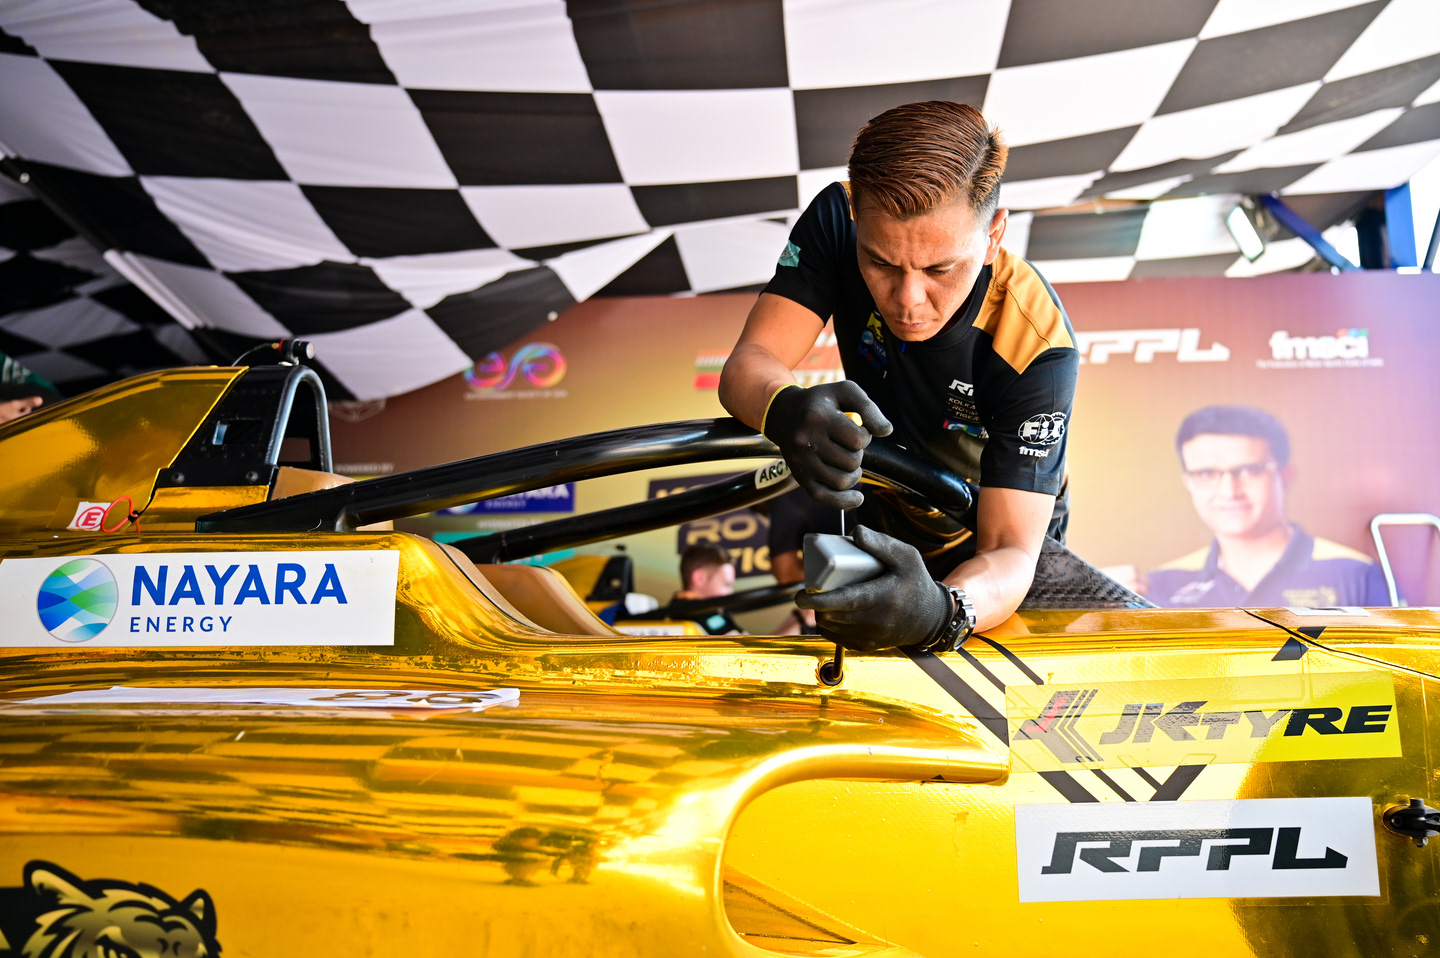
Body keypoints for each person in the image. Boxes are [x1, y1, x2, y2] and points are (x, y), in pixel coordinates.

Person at [719, 100, 1078, 653]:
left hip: (990, 555)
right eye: (881, 263)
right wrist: (784, 405)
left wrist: (946, 611)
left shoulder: (1035, 344)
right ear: (856, 221)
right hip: (888, 505)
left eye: (940, 269)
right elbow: (751, 360)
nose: (909, 300)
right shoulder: (836, 219)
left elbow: (1010, 549)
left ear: (993, 235)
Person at [1147, 405, 1388, 608]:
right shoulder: (1160, 585)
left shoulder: (1356, 574)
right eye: (1207, 474)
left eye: (1249, 471)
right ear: (1188, 483)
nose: (1229, 492)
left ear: (1285, 476)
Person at [673, 542, 743, 635]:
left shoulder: (716, 612)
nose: (730, 592)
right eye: (726, 584)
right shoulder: (698, 615)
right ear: (699, 578)